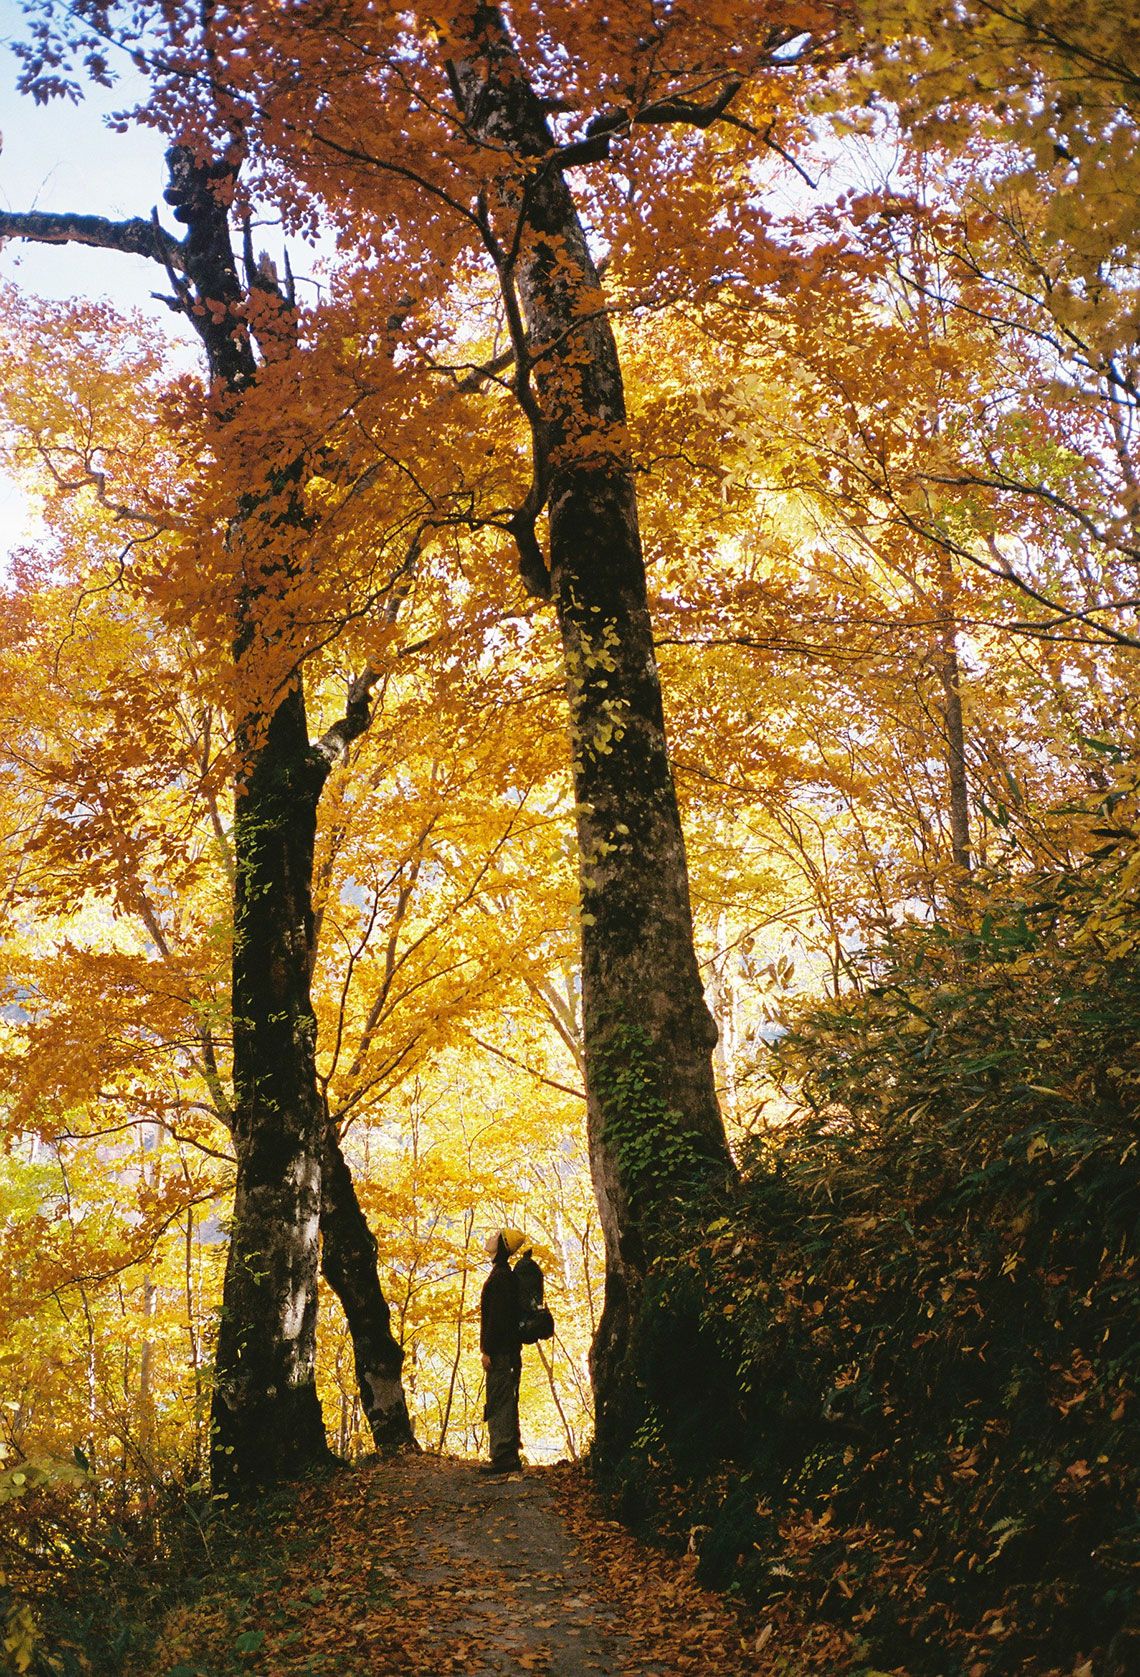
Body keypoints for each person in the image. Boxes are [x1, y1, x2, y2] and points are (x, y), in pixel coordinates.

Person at [480, 1228, 524, 1474]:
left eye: (496, 1236)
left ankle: (504, 1457)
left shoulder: (501, 1278)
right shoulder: (503, 1276)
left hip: (501, 1354)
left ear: (502, 1246)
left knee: (499, 1401)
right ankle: (506, 1454)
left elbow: (497, 1320)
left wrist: (487, 1351)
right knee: (504, 1398)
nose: (490, 1238)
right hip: (507, 1353)